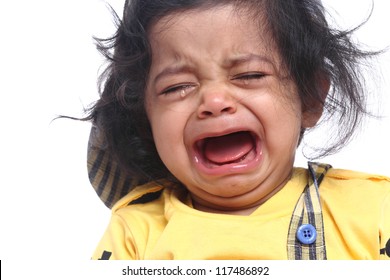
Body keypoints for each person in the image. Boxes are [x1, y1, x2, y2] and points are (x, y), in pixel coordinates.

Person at [86, 0, 390, 260]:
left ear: (310, 98)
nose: (214, 101)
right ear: (145, 121)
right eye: (177, 87)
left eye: (249, 75)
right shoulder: (135, 232)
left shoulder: (374, 211)